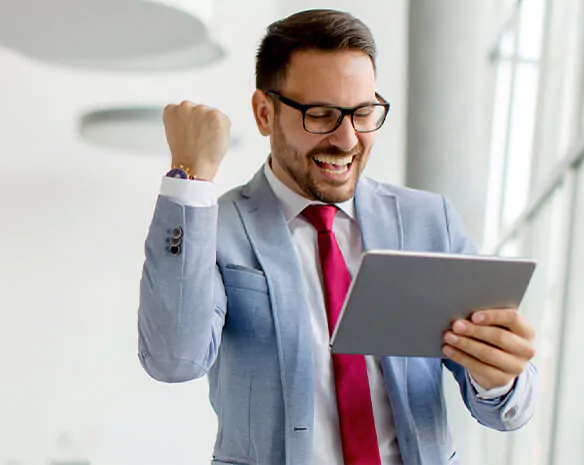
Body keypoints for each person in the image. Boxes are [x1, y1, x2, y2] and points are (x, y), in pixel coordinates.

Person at [136, 9, 537, 465]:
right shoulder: (216, 226)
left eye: (363, 113)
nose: (347, 139)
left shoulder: (429, 221)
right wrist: (191, 179)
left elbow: (506, 409)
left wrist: (500, 375)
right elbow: (173, 359)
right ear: (264, 113)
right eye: (321, 115)